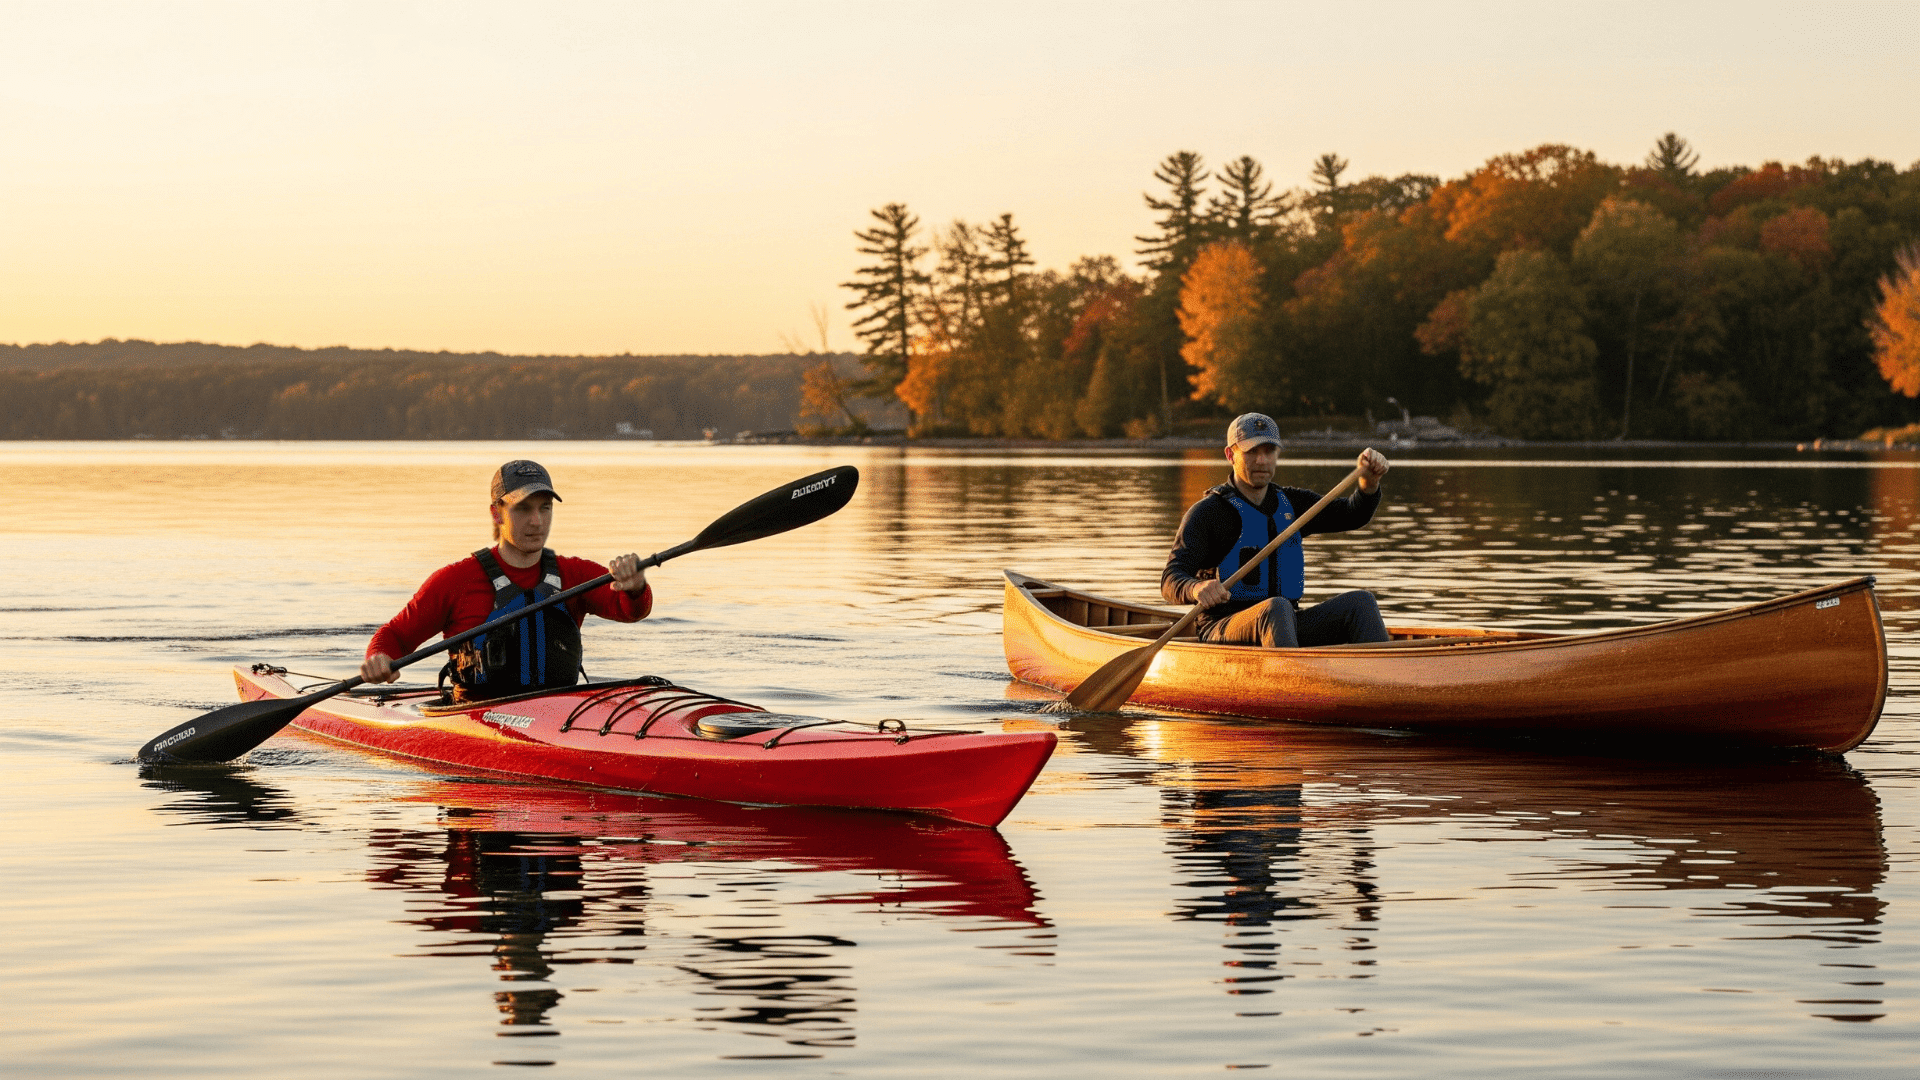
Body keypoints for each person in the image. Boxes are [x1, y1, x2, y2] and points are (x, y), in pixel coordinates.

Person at [360, 460, 652, 697]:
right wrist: (380, 657)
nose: (536, 521)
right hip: (475, 719)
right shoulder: (456, 581)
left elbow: (630, 610)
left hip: (559, 715)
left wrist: (635, 585)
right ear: (496, 514)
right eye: (523, 509)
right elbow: (395, 635)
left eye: (544, 508)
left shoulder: (575, 574)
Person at [1162, 413, 1391, 648]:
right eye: (1251, 451)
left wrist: (1369, 484)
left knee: (1361, 603)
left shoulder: (1294, 503)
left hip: (1284, 625)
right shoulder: (1208, 512)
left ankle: (1386, 680)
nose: (1262, 460)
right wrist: (1196, 587)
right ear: (1230, 455)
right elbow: (1170, 579)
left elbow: (1352, 515)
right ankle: (1290, 679)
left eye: (1269, 451)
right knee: (1276, 607)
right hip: (1223, 628)